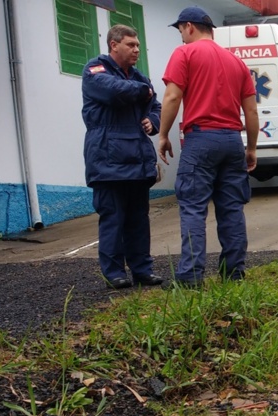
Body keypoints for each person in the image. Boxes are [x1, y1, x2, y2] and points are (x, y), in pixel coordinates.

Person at [157, 6, 258, 288]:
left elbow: (172, 97)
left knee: (192, 208)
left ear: (189, 26)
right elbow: (251, 112)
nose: (181, 38)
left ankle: (190, 278)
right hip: (232, 141)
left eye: (180, 32)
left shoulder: (185, 53)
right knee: (232, 209)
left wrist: (163, 135)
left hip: (201, 139)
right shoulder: (236, 62)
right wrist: (250, 148)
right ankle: (233, 274)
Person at [82, 24, 164, 289]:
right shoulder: (95, 69)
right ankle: (114, 273)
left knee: (139, 220)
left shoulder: (139, 75)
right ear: (113, 45)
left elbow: (156, 106)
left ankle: (142, 270)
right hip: (108, 159)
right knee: (113, 218)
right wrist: (142, 91)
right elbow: (113, 91)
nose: (137, 50)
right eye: (131, 45)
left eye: (138, 45)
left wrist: (153, 121)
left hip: (138, 159)